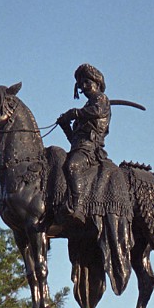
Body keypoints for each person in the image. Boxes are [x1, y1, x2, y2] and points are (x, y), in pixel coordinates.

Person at [56, 63, 111, 223]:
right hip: (79, 147)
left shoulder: (101, 99)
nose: (84, 86)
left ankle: (77, 206)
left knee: (72, 166)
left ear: (97, 83)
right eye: (81, 84)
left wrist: (75, 113)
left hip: (90, 149)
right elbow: (74, 140)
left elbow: (98, 111)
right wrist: (65, 125)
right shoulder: (87, 108)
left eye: (87, 82)